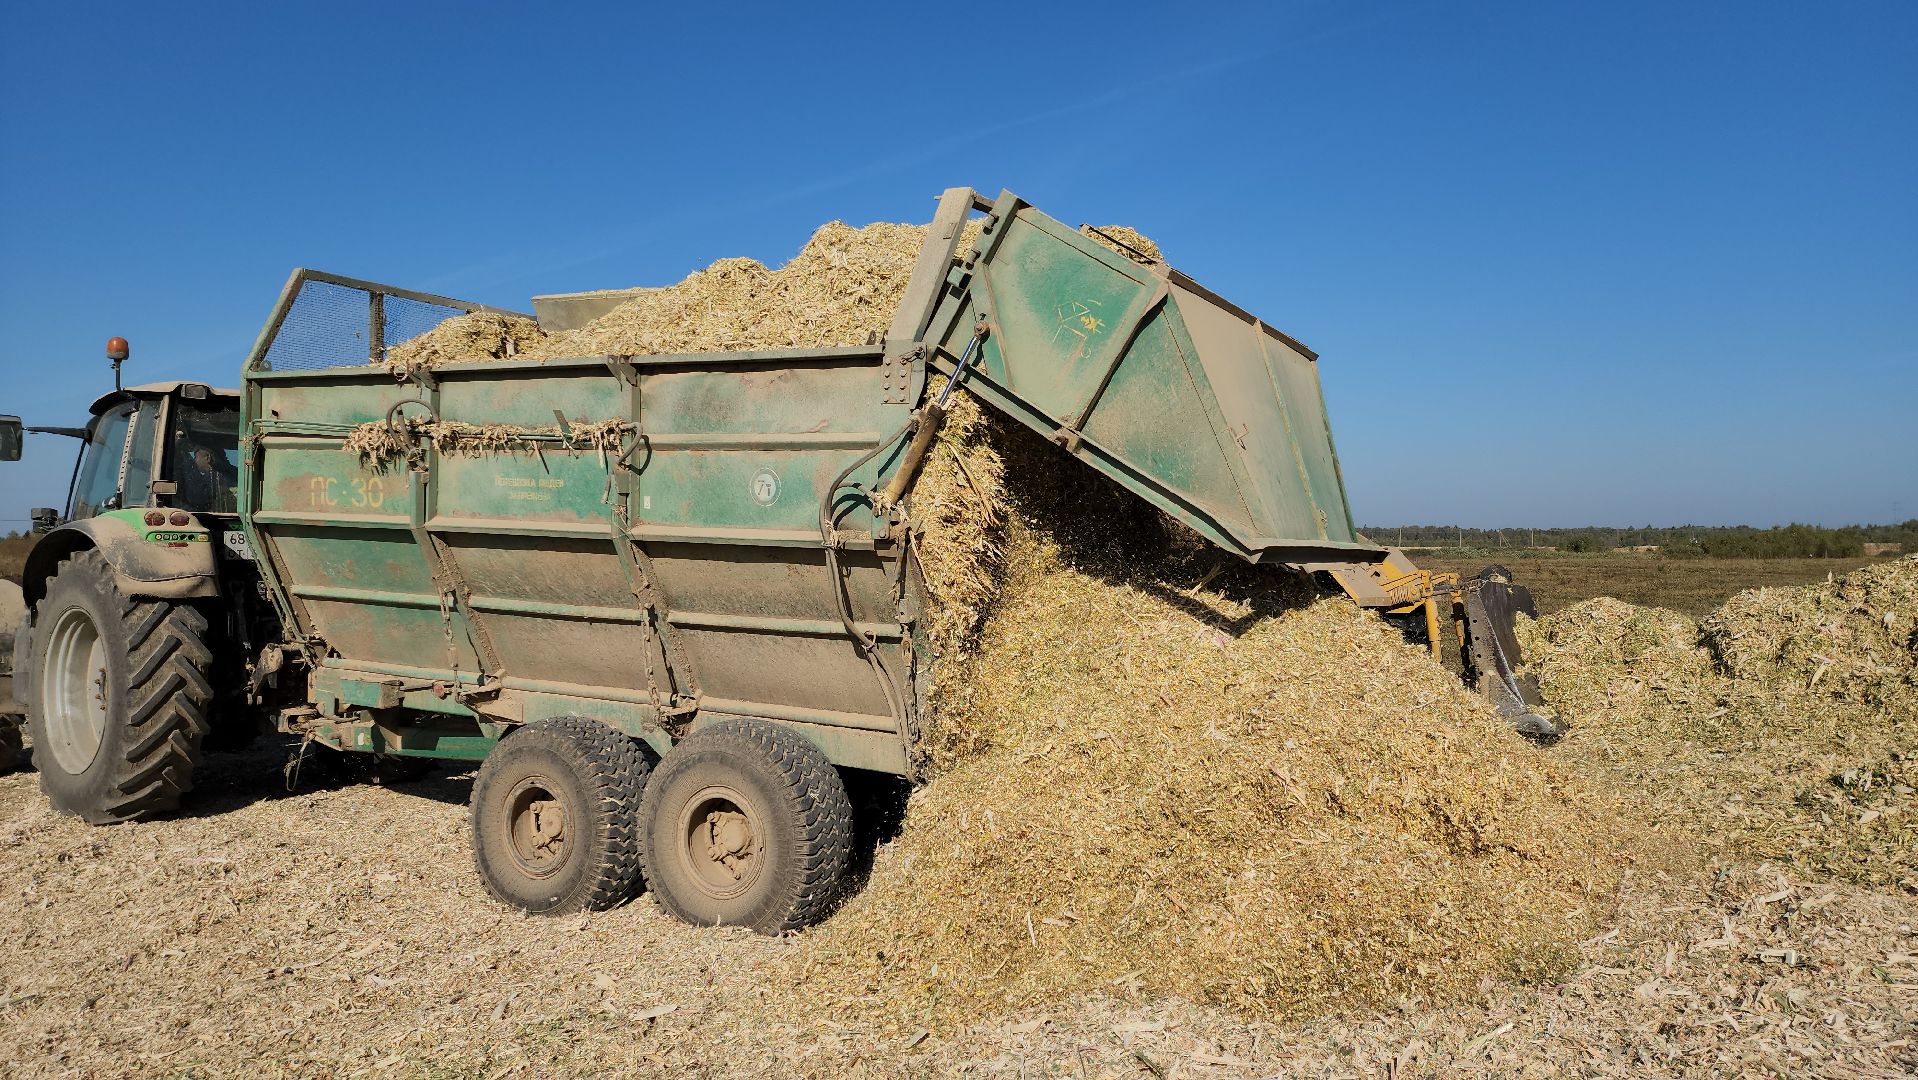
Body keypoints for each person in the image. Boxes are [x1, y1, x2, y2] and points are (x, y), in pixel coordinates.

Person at [178, 443, 237, 513]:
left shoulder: (210, 479)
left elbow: (197, 502)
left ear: (207, 457)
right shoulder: (235, 473)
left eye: (195, 456)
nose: (194, 461)